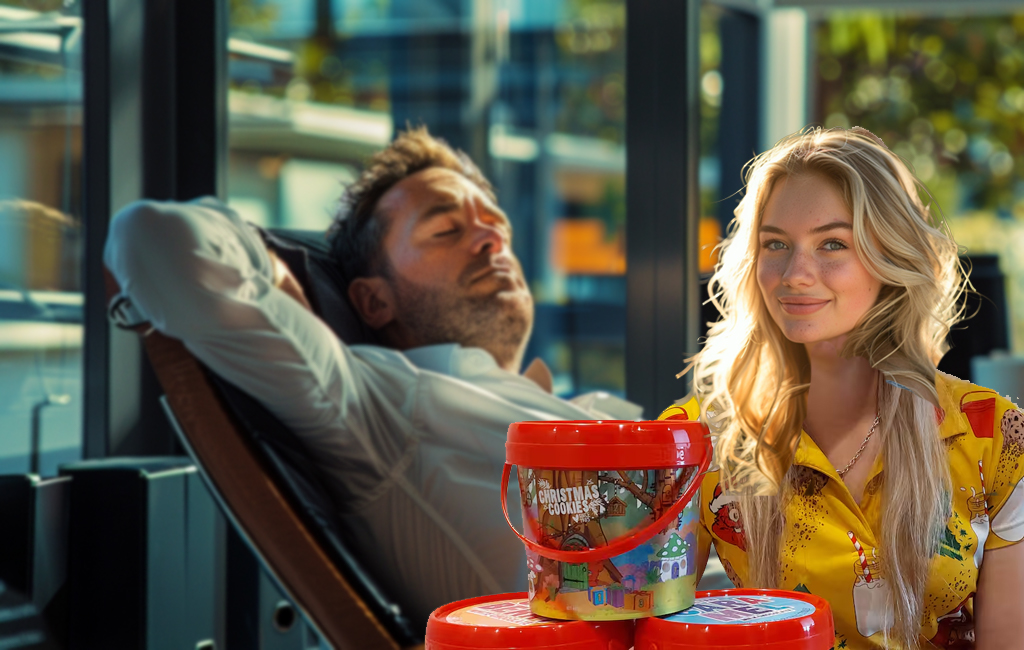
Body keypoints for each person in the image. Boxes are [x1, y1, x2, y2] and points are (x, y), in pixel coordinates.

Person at [104, 127, 641, 627]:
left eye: (497, 226)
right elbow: (154, 238)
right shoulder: (386, 402)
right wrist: (278, 277)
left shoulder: (571, 409)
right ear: (373, 301)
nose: (491, 239)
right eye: (447, 229)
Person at [661, 127, 1024, 649]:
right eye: (775, 244)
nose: (795, 274)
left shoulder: (994, 437)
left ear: (891, 258)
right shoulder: (691, 440)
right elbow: (643, 621)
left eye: (832, 244)